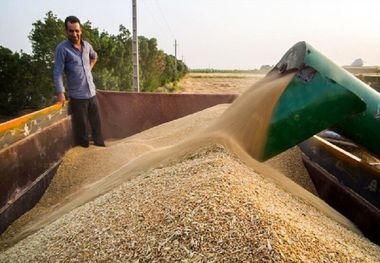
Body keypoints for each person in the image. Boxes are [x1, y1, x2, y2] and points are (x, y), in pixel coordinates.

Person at [53, 16, 105, 147]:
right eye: (71, 31)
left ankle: (101, 148)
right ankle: (85, 156)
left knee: (97, 127)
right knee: (81, 131)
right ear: (66, 31)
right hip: (77, 97)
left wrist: (88, 68)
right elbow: (58, 72)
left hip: (92, 93)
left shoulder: (87, 46)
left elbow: (95, 56)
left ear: (81, 30)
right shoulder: (62, 49)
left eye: (77, 30)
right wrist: (60, 93)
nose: (74, 34)